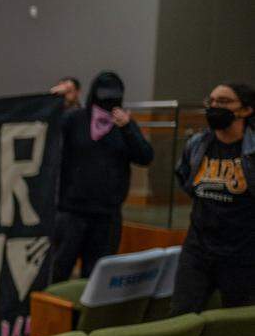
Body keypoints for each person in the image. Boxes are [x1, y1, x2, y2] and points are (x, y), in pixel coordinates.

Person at [51, 71, 153, 282]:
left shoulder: (122, 125)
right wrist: (51, 100)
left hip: (107, 216)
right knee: (58, 271)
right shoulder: (75, 119)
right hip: (72, 213)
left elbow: (145, 156)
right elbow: (47, 136)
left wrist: (128, 127)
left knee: (97, 278)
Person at [170, 82, 255, 314]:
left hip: (242, 255)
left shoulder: (252, 150)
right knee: (180, 317)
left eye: (224, 102)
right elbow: (186, 179)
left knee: (235, 327)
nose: (215, 106)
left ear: (246, 110)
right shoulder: (197, 145)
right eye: (212, 101)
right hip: (198, 250)